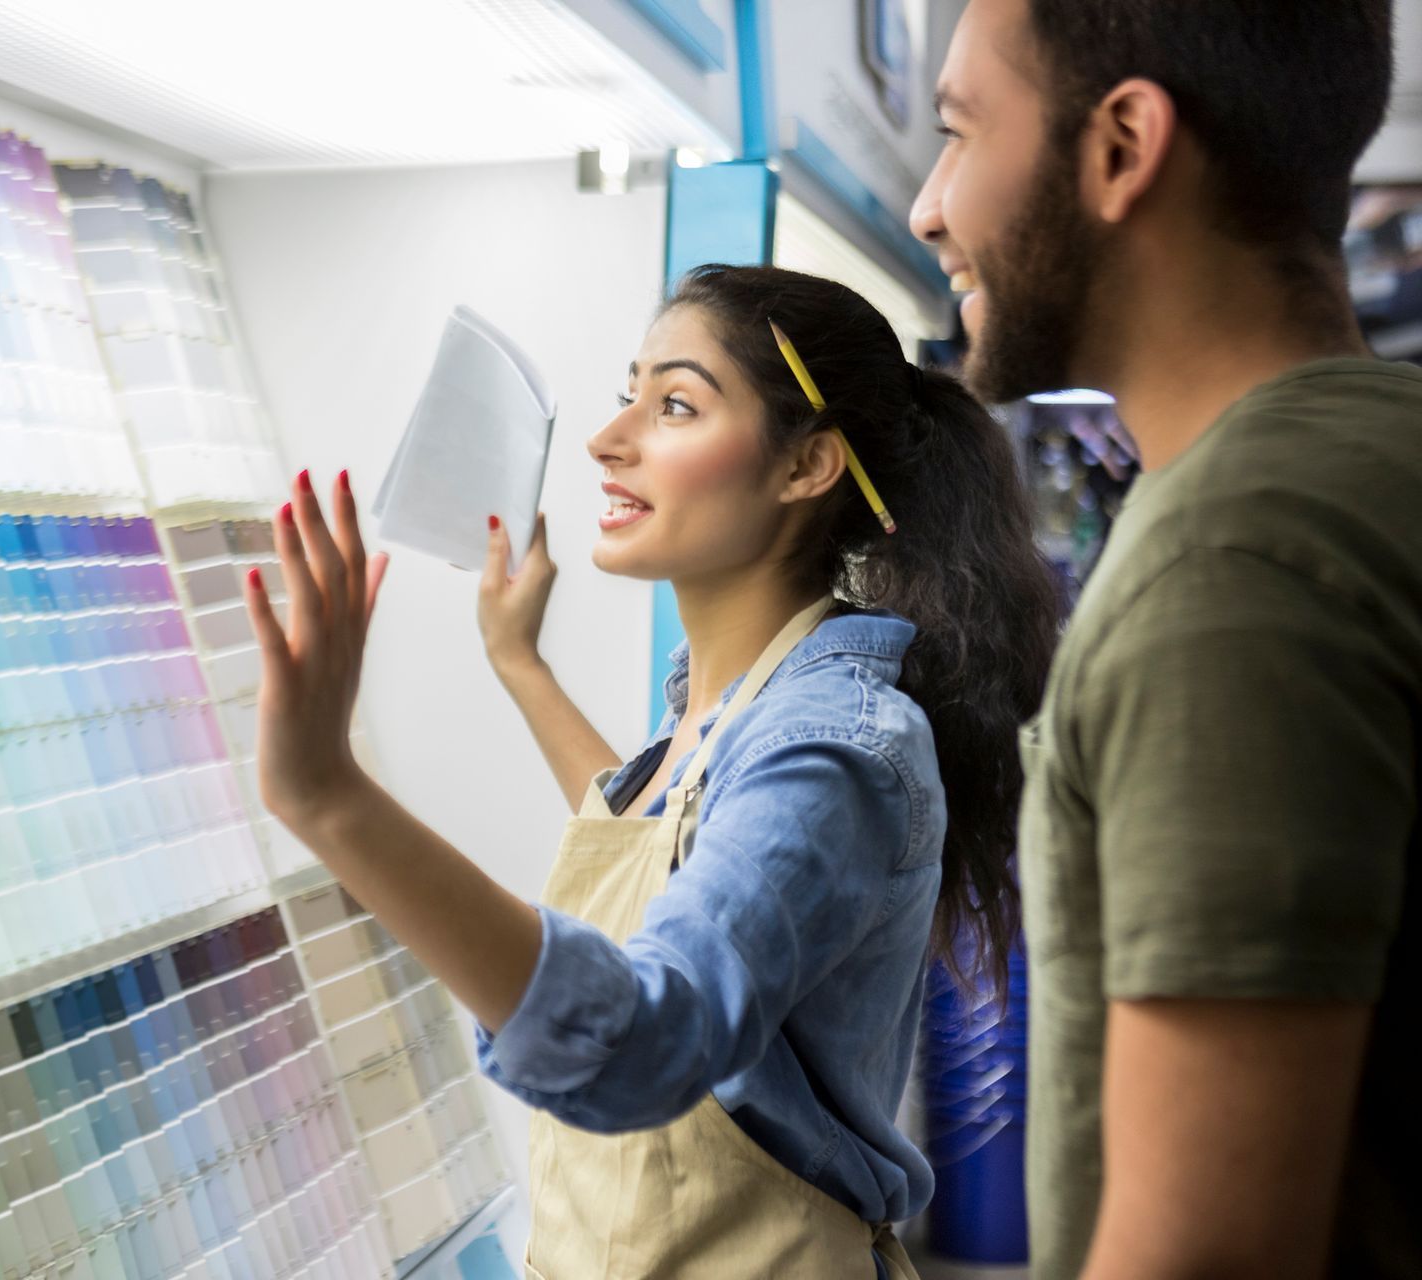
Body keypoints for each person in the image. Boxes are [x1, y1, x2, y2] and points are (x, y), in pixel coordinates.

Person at [243, 264, 1061, 1277]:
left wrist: (331, 798)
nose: (606, 439)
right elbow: (672, 848)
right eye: (627, 392)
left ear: (807, 465)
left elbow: (641, 1042)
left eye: (674, 403)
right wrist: (520, 664)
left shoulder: (836, 748)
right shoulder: (732, 709)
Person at [908, 1, 1421, 1276]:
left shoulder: (1227, 568)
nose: (928, 207)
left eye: (961, 133)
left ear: (1123, 145)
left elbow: (1212, 1252)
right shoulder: (1375, 459)